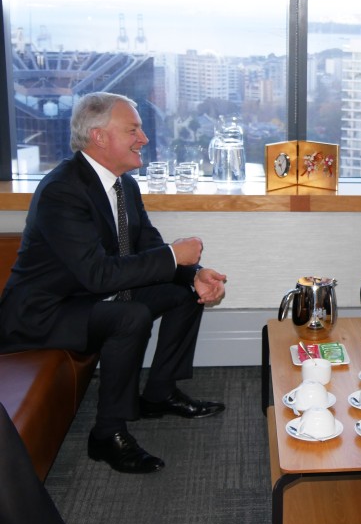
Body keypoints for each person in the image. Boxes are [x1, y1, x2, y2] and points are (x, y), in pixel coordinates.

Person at [0, 92, 228, 475]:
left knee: (184, 293)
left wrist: (194, 274)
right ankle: (107, 434)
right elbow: (97, 275)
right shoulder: (62, 191)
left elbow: (148, 247)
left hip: (88, 296)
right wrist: (175, 256)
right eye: (133, 129)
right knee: (130, 316)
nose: (144, 138)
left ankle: (159, 393)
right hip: (44, 311)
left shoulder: (124, 185)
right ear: (99, 136)